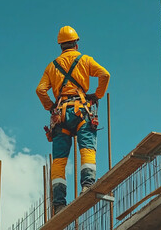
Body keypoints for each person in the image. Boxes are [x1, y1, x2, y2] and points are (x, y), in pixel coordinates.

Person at [36, 26, 110, 214]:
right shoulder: (84, 60)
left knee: (59, 161)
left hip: (60, 116)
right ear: (76, 43)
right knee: (86, 148)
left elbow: (40, 90)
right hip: (81, 111)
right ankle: (87, 185)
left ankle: (59, 203)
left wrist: (50, 106)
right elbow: (104, 74)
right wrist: (97, 95)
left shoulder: (52, 66)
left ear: (60, 45)